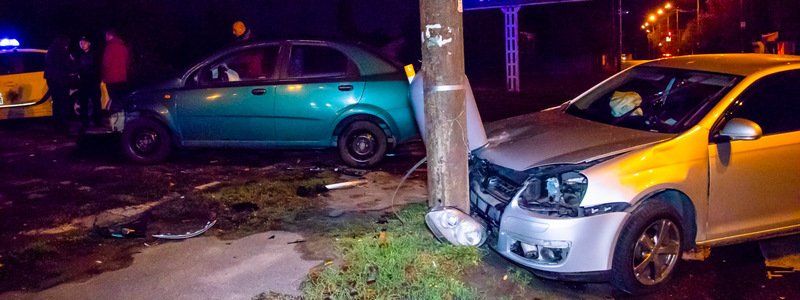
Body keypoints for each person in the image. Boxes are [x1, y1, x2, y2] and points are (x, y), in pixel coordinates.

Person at [44, 35, 75, 133]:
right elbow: (67, 66)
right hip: (61, 80)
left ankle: (56, 124)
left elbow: (48, 66)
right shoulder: (62, 52)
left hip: (52, 80)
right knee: (63, 103)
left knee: (56, 103)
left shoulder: (50, 50)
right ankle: (63, 125)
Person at [77, 36, 103, 130]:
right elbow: (77, 67)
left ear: (89, 43)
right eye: (80, 43)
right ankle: (85, 122)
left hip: (93, 81)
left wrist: (97, 78)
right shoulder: (79, 55)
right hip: (83, 81)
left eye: (84, 43)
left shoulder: (95, 54)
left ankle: (98, 121)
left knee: (96, 101)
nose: (82, 45)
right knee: (83, 102)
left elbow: (98, 67)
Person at [102, 29, 130, 111]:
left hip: (111, 78)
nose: (105, 37)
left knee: (113, 99)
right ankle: (122, 117)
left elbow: (105, 63)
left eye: (106, 35)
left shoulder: (109, 47)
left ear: (109, 35)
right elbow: (127, 61)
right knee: (120, 99)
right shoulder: (123, 47)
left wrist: (103, 76)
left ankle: (115, 119)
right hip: (122, 78)